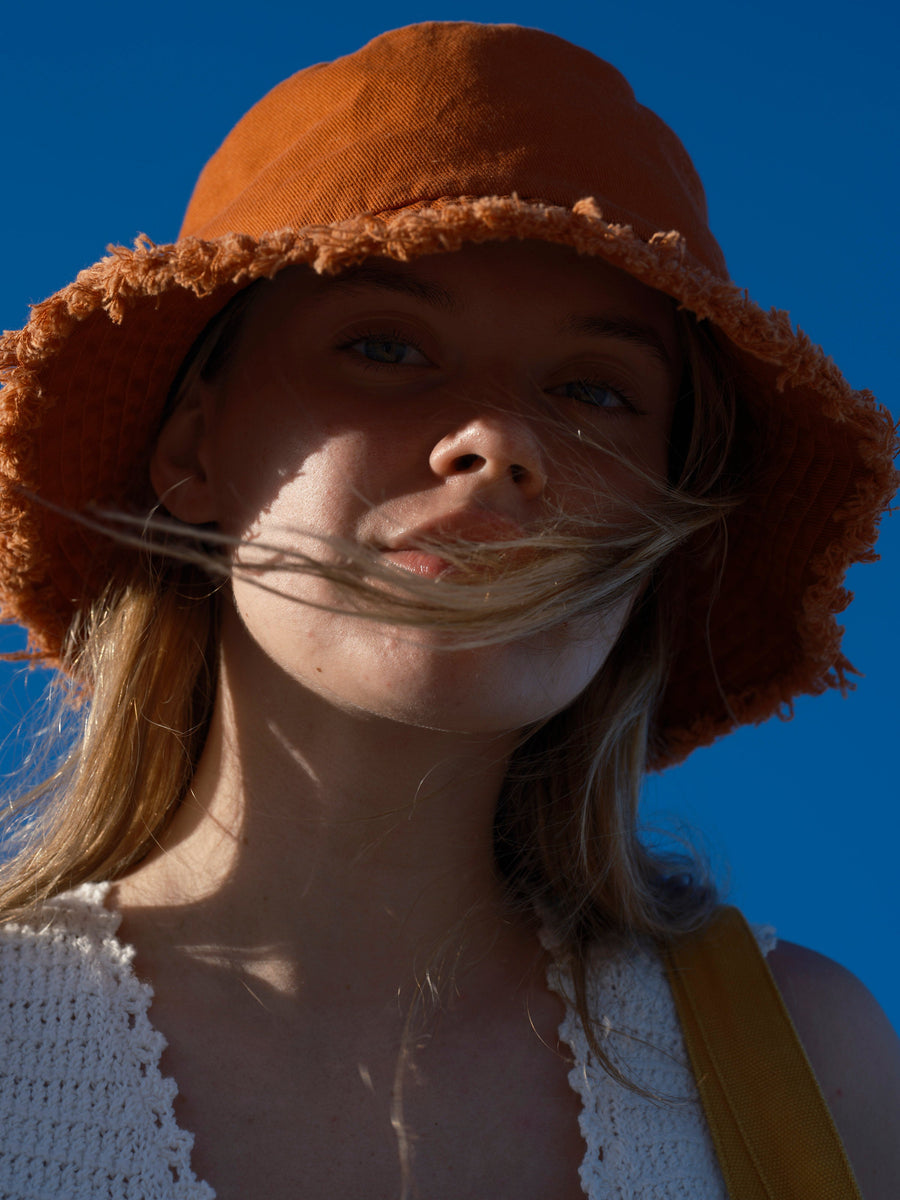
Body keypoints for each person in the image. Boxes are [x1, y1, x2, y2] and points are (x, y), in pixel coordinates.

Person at [0, 20, 897, 1200]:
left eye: (594, 391)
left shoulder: (810, 1063)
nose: (502, 442)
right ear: (192, 451)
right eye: (385, 346)